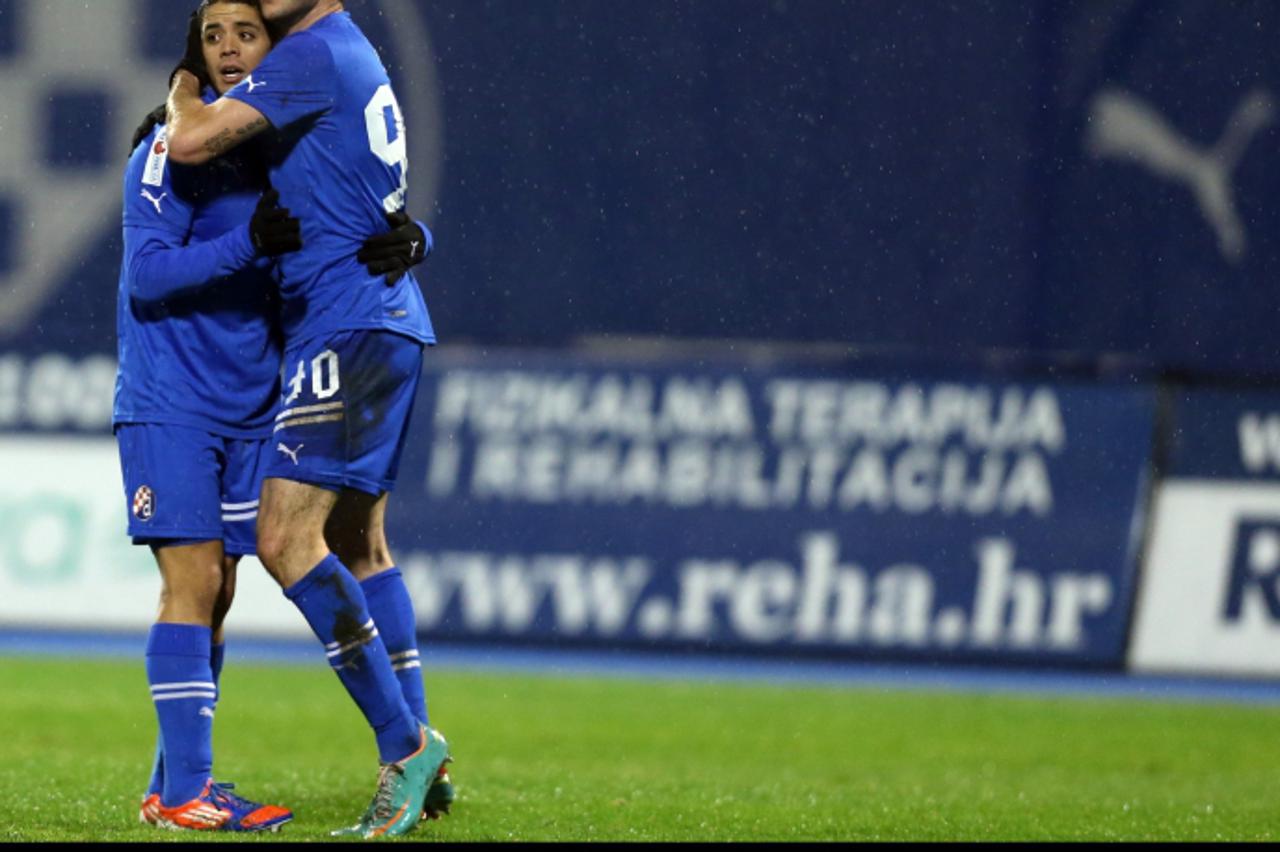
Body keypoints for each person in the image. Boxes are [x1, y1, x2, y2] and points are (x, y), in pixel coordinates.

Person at [116, 0, 431, 833]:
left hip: (261, 396)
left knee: (245, 576)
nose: (227, 48)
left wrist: (414, 235)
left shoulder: (269, 140)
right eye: (211, 36)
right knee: (203, 580)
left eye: (244, 34)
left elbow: (350, 197)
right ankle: (184, 790)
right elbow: (147, 276)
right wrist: (244, 241)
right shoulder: (168, 148)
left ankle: (182, 785)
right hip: (176, 401)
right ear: (192, 53)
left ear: (270, 51)